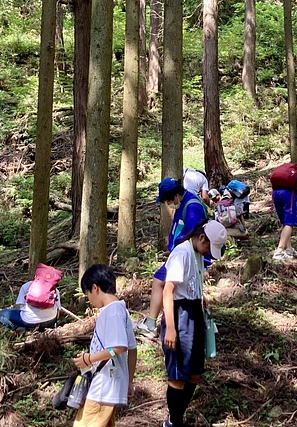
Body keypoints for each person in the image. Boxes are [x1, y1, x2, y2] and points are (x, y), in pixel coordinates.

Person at [161, 220, 227, 427]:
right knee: (179, 375)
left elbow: (191, 281)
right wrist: (171, 329)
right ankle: (175, 422)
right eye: (209, 247)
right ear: (201, 238)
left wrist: (200, 295)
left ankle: (176, 415)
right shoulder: (182, 254)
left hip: (194, 312)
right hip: (179, 316)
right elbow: (167, 291)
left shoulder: (197, 253)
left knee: (194, 373)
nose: (208, 252)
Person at [134, 178, 210, 338]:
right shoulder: (185, 201)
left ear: (176, 195)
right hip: (180, 255)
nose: (168, 203)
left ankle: (152, 324)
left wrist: (204, 265)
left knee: (160, 282)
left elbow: (202, 237)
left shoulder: (192, 208)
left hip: (184, 257)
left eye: (168, 200)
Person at [72, 264, 137, 427]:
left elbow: (118, 347)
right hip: (111, 384)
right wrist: (129, 381)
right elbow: (132, 349)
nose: (89, 299)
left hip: (104, 386)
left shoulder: (112, 311)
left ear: (95, 288)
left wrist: (89, 358)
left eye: (87, 294)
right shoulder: (121, 309)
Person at [271, 163, 297, 261]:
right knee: (290, 223)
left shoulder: (286, 171)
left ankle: (289, 249)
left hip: (275, 193)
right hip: (288, 194)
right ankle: (279, 252)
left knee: (285, 222)